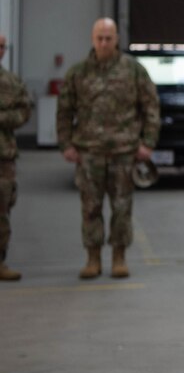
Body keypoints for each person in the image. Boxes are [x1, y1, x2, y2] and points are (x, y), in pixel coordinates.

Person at [56, 18, 160, 280]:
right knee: (90, 207)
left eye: (108, 38)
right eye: (99, 38)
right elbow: (64, 110)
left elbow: (151, 107)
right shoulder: (78, 73)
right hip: (89, 152)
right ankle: (92, 258)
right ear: (92, 39)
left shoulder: (133, 70)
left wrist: (148, 142)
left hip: (123, 151)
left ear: (116, 39)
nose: (104, 43)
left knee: (122, 206)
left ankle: (119, 257)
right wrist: (66, 144)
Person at [0, 34, 32, 281]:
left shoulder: (11, 82)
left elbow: (24, 112)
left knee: (3, 210)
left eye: (1, 47)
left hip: (4, 157)